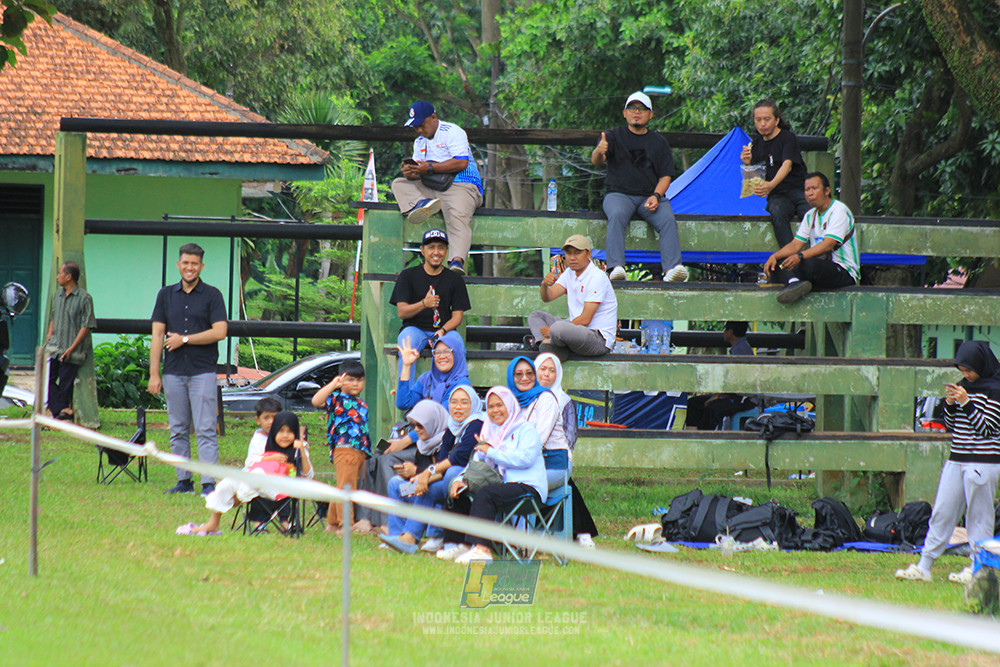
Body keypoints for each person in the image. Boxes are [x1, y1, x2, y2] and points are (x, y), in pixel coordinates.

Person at [895, 341, 1000, 584]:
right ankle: (925, 565)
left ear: (980, 365)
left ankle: (978, 567)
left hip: (983, 462)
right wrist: (950, 405)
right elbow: (951, 427)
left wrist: (966, 402)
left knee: (979, 518)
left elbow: (988, 428)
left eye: (969, 370)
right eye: (962, 370)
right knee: (942, 511)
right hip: (957, 459)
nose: (966, 375)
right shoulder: (964, 387)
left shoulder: (995, 390)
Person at [149, 243, 228, 496]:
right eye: (185, 263)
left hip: (202, 371)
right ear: (178, 265)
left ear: (201, 266)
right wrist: (154, 373)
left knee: (205, 428)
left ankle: (208, 484)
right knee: (178, 428)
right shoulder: (165, 295)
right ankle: (183, 481)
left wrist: (184, 339)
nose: (190, 268)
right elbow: (158, 334)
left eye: (194, 264)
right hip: (173, 371)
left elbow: (220, 332)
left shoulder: (213, 295)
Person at [592, 91, 687, 283]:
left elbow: (665, 176)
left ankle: (672, 269)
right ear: (624, 113)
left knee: (668, 219)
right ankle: (616, 267)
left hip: (648, 196)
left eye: (642, 109)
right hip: (618, 194)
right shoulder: (612, 135)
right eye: (632, 108)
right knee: (617, 215)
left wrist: (656, 195)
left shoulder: (659, 142)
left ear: (650, 114)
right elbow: (597, 161)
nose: (637, 112)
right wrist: (599, 151)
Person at [444, 386, 547, 563]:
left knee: (486, 494)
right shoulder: (489, 432)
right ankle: (460, 544)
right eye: (490, 407)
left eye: (499, 405)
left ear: (509, 405)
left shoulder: (525, 429)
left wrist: (491, 452)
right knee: (458, 490)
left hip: (529, 488)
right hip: (502, 487)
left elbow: (526, 459)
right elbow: (475, 462)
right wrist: (460, 479)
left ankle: (482, 549)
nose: (495, 410)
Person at [178, 405, 312, 536]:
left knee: (255, 476)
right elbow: (251, 463)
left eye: (289, 432)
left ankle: (241, 495)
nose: (285, 436)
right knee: (227, 483)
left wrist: (302, 451)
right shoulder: (267, 445)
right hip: (257, 483)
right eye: (281, 431)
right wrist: (270, 458)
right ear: (274, 432)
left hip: (280, 488)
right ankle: (213, 524)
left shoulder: (298, 449)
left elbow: (308, 475)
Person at [391, 100, 484, 275]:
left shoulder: (452, 132)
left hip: (461, 185)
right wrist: (411, 172)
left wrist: (430, 168)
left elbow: (461, 161)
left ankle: (456, 261)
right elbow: (419, 172)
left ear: (433, 117)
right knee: (398, 184)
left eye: (421, 125)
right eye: (415, 127)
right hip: (431, 187)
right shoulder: (419, 142)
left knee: (457, 216)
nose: (419, 130)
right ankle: (422, 204)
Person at [379, 397, 464, 554]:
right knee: (396, 484)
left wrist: (416, 472)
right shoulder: (423, 444)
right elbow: (421, 471)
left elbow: (442, 473)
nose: (416, 430)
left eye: (420, 425)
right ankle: (397, 535)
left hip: (439, 491)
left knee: (430, 488)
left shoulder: (448, 439)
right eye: (413, 426)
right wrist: (408, 474)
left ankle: (434, 535)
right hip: (420, 489)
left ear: (433, 422)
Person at [763, 172, 859, 304]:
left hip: (842, 271)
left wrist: (800, 256)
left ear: (827, 191)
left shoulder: (839, 211)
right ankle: (795, 284)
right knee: (776, 266)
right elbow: (796, 245)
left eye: (815, 188)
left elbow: (828, 244)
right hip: (819, 269)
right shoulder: (810, 215)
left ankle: (795, 282)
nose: (810, 193)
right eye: (807, 190)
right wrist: (774, 256)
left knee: (808, 264)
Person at [535, 352, 599, 547]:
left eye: (552, 370)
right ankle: (581, 530)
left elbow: (570, 437)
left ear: (558, 375)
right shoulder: (527, 398)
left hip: (556, 456)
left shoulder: (563, 401)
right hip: (533, 458)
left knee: (560, 476)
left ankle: (581, 532)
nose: (546, 374)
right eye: (542, 369)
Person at [389, 228, 470, 372]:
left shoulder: (455, 279)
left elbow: (457, 317)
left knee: (457, 345)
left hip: (445, 330)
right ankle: (406, 393)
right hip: (415, 328)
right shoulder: (408, 276)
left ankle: (456, 391)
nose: (436, 252)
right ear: (422, 250)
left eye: (441, 248)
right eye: (431, 247)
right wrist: (423, 304)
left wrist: (443, 330)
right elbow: (402, 312)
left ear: (446, 251)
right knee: (406, 344)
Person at [528, 235, 618, 360]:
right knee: (535, 316)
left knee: (558, 328)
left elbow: (586, 319)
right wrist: (544, 285)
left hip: (597, 339)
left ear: (588, 254)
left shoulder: (597, 277)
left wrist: (553, 331)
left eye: (577, 253)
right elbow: (548, 297)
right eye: (569, 253)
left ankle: (548, 346)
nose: (572, 258)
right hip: (573, 331)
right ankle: (547, 345)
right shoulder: (569, 273)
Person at [311, 360, 370, 534]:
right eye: (350, 379)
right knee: (347, 488)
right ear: (341, 380)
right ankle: (346, 524)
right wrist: (333, 385)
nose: (355, 383)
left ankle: (332, 523)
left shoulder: (361, 403)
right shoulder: (336, 399)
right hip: (345, 448)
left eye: (359, 380)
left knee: (343, 485)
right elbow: (316, 401)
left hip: (360, 451)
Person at [740, 98, 809, 247]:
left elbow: (787, 165)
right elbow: (755, 181)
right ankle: (789, 256)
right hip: (778, 195)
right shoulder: (756, 144)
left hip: (798, 189)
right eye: (758, 120)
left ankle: (818, 256)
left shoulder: (787, 138)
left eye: (767, 119)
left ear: (776, 120)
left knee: (810, 212)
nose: (762, 124)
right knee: (777, 211)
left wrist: (770, 185)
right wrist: (747, 164)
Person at [44, 261, 95, 421]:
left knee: (66, 381)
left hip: (72, 349)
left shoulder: (84, 298)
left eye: (60, 273)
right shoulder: (57, 295)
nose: (57, 277)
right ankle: (63, 410)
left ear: (69, 276)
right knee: (49, 380)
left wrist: (72, 348)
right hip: (55, 347)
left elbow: (86, 325)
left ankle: (59, 413)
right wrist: (49, 335)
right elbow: (53, 316)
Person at [684, 321, 758, 430]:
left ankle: (705, 438)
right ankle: (692, 434)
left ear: (730, 332)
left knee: (712, 408)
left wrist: (717, 395)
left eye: (725, 329)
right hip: (733, 395)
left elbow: (734, 380)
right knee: (694, 403)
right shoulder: (739, 347)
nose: (723, 332)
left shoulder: (740, 350)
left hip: (743, 398)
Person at [506, 356, 566, 490]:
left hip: (552, 465)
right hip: (518, 464)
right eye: (518, 374)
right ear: (511, 377)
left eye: (529, 373)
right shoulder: (509, 401)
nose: (525, 378)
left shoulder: (546, 399)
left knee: (509, 487)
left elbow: (538, 441)